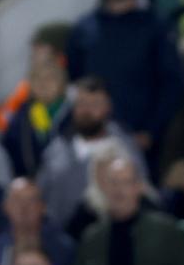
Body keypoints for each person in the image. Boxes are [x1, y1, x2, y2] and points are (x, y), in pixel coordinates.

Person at [65, 0, 184, 171]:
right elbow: (75, 82)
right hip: (92, 140)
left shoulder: (157, 26)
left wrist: (151, 131)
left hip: (140, 140)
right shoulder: (83, 28)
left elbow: (172, 83)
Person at [36, 77, 147, 233]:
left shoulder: (126, 148)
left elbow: (144, 193)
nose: (87, 111)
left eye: (95, 104)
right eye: (81, 104)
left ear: (108, 107)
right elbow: (41, 199)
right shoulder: (55, 152)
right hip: (64, 237)